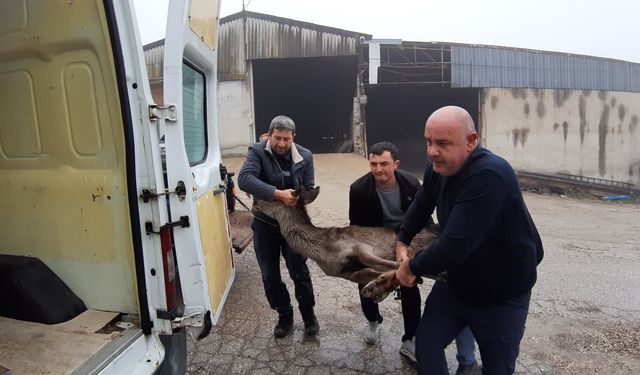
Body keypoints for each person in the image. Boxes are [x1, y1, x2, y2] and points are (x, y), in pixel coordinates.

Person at [395, 106, 544, 374]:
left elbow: (453, 245)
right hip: (457, 285)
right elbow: (422, 203)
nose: (432, 152)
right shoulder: (438, 168)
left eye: (442, 143)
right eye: (429, 141)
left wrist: (411, 267)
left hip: (502, 295)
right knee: (426, 346)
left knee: (498, 368)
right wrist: (402, 239)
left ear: (471, 141)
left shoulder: (489, 175)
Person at [349, 142, 478, 372]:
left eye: (384, 164)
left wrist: (424, 243)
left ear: (396, 164)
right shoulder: (358, 189)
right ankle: (373, 321)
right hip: (375, 242)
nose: (378, 169)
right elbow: (356, 228)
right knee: (365, 285)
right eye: (373, 164)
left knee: (410, 286)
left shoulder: (410, 182)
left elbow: (423, 216)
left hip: (405, 240)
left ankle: (410, 338)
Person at [238, 115, 319, 338]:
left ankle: (309, 315)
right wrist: (277, 194)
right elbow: (244, 179)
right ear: (269, 135)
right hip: (265, 225)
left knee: (299, 272)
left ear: (293, 137)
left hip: (293, 227)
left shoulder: (305, 155)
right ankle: (284, 315)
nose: (281, 144)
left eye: (286, 139)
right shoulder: (257, 152)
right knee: (269, 275)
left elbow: (309, 187)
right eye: (277, 138)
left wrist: (302, 195)